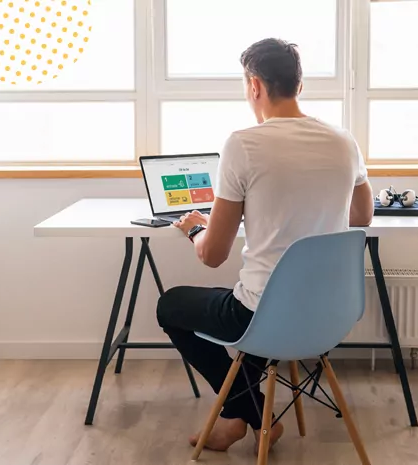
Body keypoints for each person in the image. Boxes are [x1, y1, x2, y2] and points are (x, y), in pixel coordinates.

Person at [156, 38, 374, 454]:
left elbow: (212, 255)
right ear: (299, 85)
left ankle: (255, 416)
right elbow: (362, 218)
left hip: (262, 315)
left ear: (254, 86)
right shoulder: (344, 141)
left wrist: (194, 229)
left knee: (172, 306)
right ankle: (242, 417)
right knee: (263, 310)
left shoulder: (244, 144)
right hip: (330, 314)